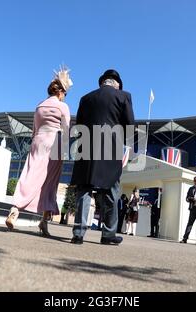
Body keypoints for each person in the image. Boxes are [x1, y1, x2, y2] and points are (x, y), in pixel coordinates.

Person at [70, 69, 135, 245]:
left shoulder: (86, 98)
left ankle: (78, 233)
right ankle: (108, 234)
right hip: (110, 146)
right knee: (111, 189)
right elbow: (129, 125)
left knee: (84, 188)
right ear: (117, 83)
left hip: (86, 146)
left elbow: (79, 125)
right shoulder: (123, 96)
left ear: (102, 82)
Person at [5, 66, 72, 237]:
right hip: (54, 142)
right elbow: (66, 129)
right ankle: (43, 220)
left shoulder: (39, 106)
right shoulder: (62, 106)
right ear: (60, 92)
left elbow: (34, 129)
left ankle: (15, 210)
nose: (65, 96)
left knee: (30, 173)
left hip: (38, 140)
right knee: (50, 182)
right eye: (65, 93)